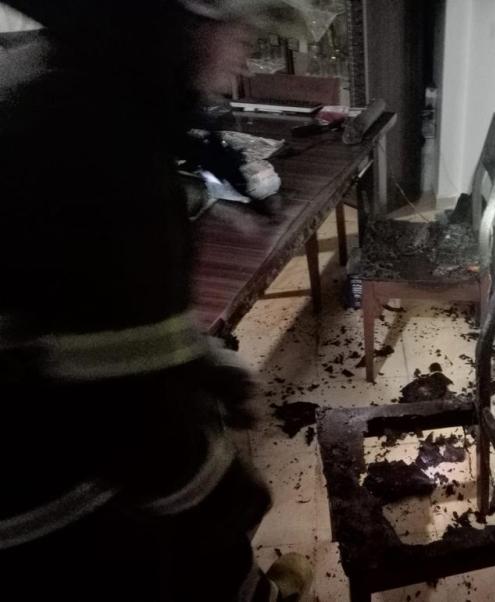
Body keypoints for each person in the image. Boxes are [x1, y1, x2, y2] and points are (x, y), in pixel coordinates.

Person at [0, 1, 309, 599]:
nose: (246, 55)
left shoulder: (79, 91)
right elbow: (134, 423)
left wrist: (206, 368)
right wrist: (238, 498)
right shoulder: (98, 150)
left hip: (47, 425)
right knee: (175, 546)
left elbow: (110, 323)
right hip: (37, 491)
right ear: (184, 23)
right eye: (241, 31)